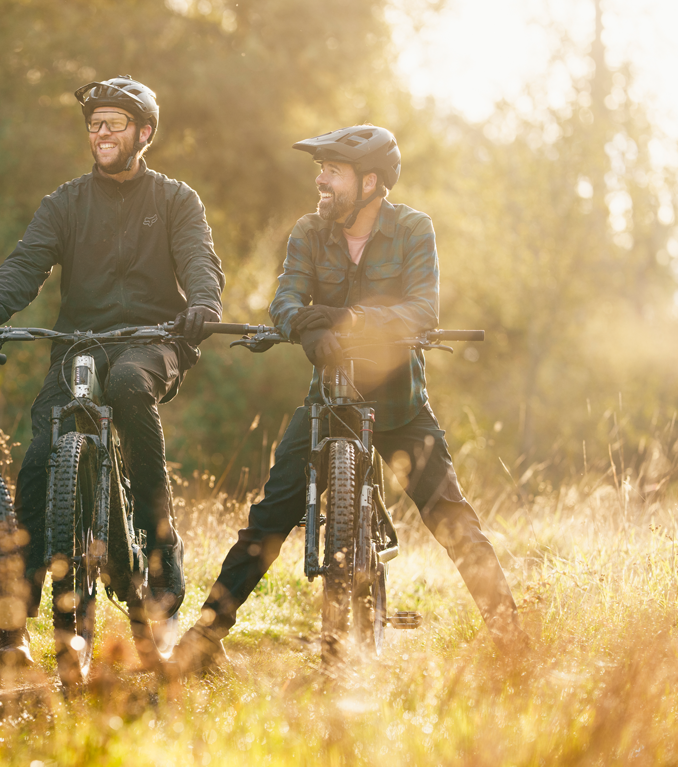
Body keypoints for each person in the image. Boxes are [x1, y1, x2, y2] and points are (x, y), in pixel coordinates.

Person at [172, 125, 528, 671]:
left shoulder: (413, 229)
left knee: (455, 522)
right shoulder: (309, 232)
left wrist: (348, 317)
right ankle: (203, 639)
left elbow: (421, 310)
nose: (320, 180)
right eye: (322, 170)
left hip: (400, 406)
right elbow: (285, 299)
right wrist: (309, 330)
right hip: (329, 400)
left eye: (332, 171)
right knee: (268, 518)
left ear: (369, 182)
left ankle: (515, 647)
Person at [0, 75, 225, 664]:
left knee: (129, 384)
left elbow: (200, 260)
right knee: (38, 457)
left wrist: (203, 303)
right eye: (94, 124)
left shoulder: (177, 200)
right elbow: (25, 266)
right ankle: (15, 623)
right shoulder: (66, 202)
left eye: (115, 124)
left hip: (154, 341)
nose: (101, 133)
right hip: (79, 343)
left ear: (144, 133)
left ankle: (160, 551)